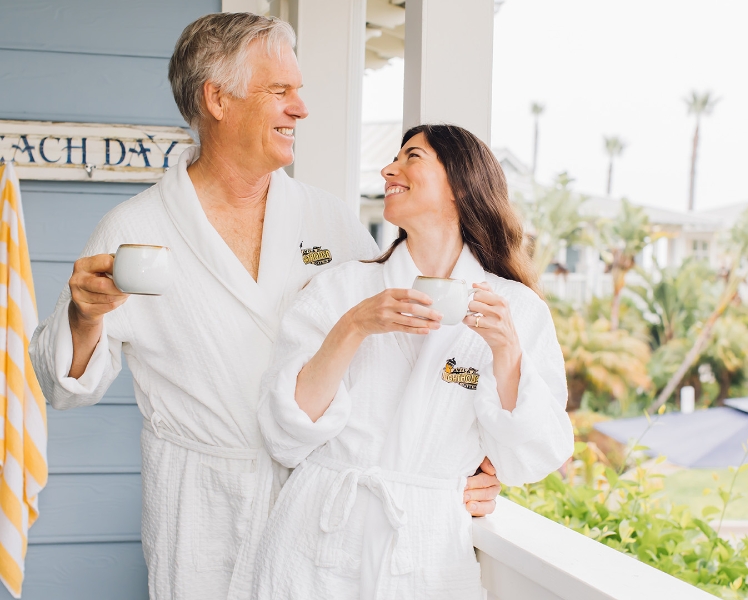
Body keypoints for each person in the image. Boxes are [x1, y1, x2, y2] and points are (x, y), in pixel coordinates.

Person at [28, 13, 500, 600]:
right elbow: (66, 387)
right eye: (281, 91)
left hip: (319, 508)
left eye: (299, 91)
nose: (301, 108)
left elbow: (405, 355)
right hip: (201, 510)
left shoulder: (329, 220)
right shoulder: (136, 228)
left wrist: (473, 463)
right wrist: (84, 315)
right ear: (217, 98)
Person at [253, 124, 574, 599]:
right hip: (316, 540)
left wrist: (507, 353)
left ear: (461, 185)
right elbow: (285, 431)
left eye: (412, 157)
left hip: (426, 551)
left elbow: (531, 456)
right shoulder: (341, 289)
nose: (389, 170)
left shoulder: (516, 310)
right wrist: (353, 327)